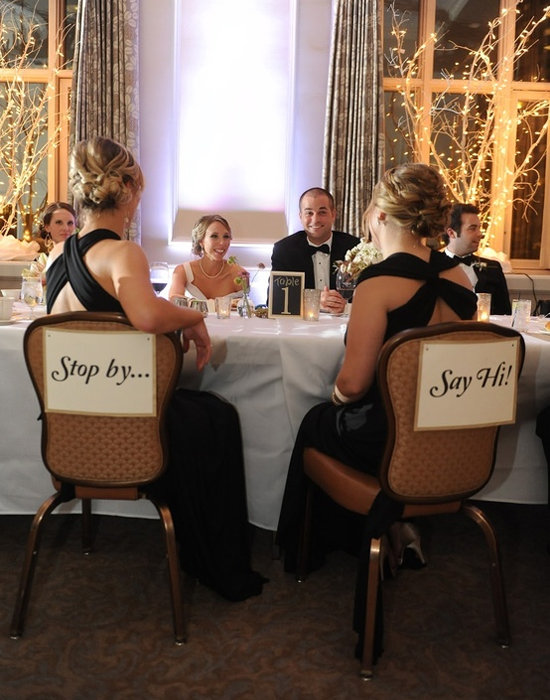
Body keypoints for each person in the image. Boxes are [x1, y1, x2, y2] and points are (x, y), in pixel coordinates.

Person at [46, 136, 266, 602]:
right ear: (126, 190)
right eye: (140, 189)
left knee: (199, 413)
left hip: (68, 432)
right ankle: (212, 558)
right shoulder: (122, 253)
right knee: (216, 416)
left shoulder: (56, 260)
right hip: (128, 431)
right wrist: (195, 316)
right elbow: (147, 316)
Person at [276, 163, 477, 660]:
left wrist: (337, 401)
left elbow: (352, 383)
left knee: (317, 421)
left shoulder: (377, 284)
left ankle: (317, 550)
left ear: (381, 214)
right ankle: (394, 525)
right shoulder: (462, 278)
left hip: (387, 443)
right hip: (455, 440)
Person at [270, 187, 358, 314]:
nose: (315, 220)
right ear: (301, 216)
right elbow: (275, 301)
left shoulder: (354, 248)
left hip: (343, 325)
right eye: (309, 213)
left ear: (333, 215)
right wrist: (315, 301)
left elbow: (369, 296)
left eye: (322, 212)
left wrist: (346, 307)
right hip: (300, 328)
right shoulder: (284, 250)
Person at [444, 203, 511, 315]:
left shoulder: (493, 268)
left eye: (479, 228)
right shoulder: (433, 266)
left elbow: (505, 313)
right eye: (472, 228)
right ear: (451, 233)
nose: (480, 234)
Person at [168, 215, 248, 300]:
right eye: (214, 236)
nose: (222, 243)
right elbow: (174, 301)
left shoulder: (239, 274)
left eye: (226, 236)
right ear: (201, 241)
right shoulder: (182, 271)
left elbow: (247, 309)